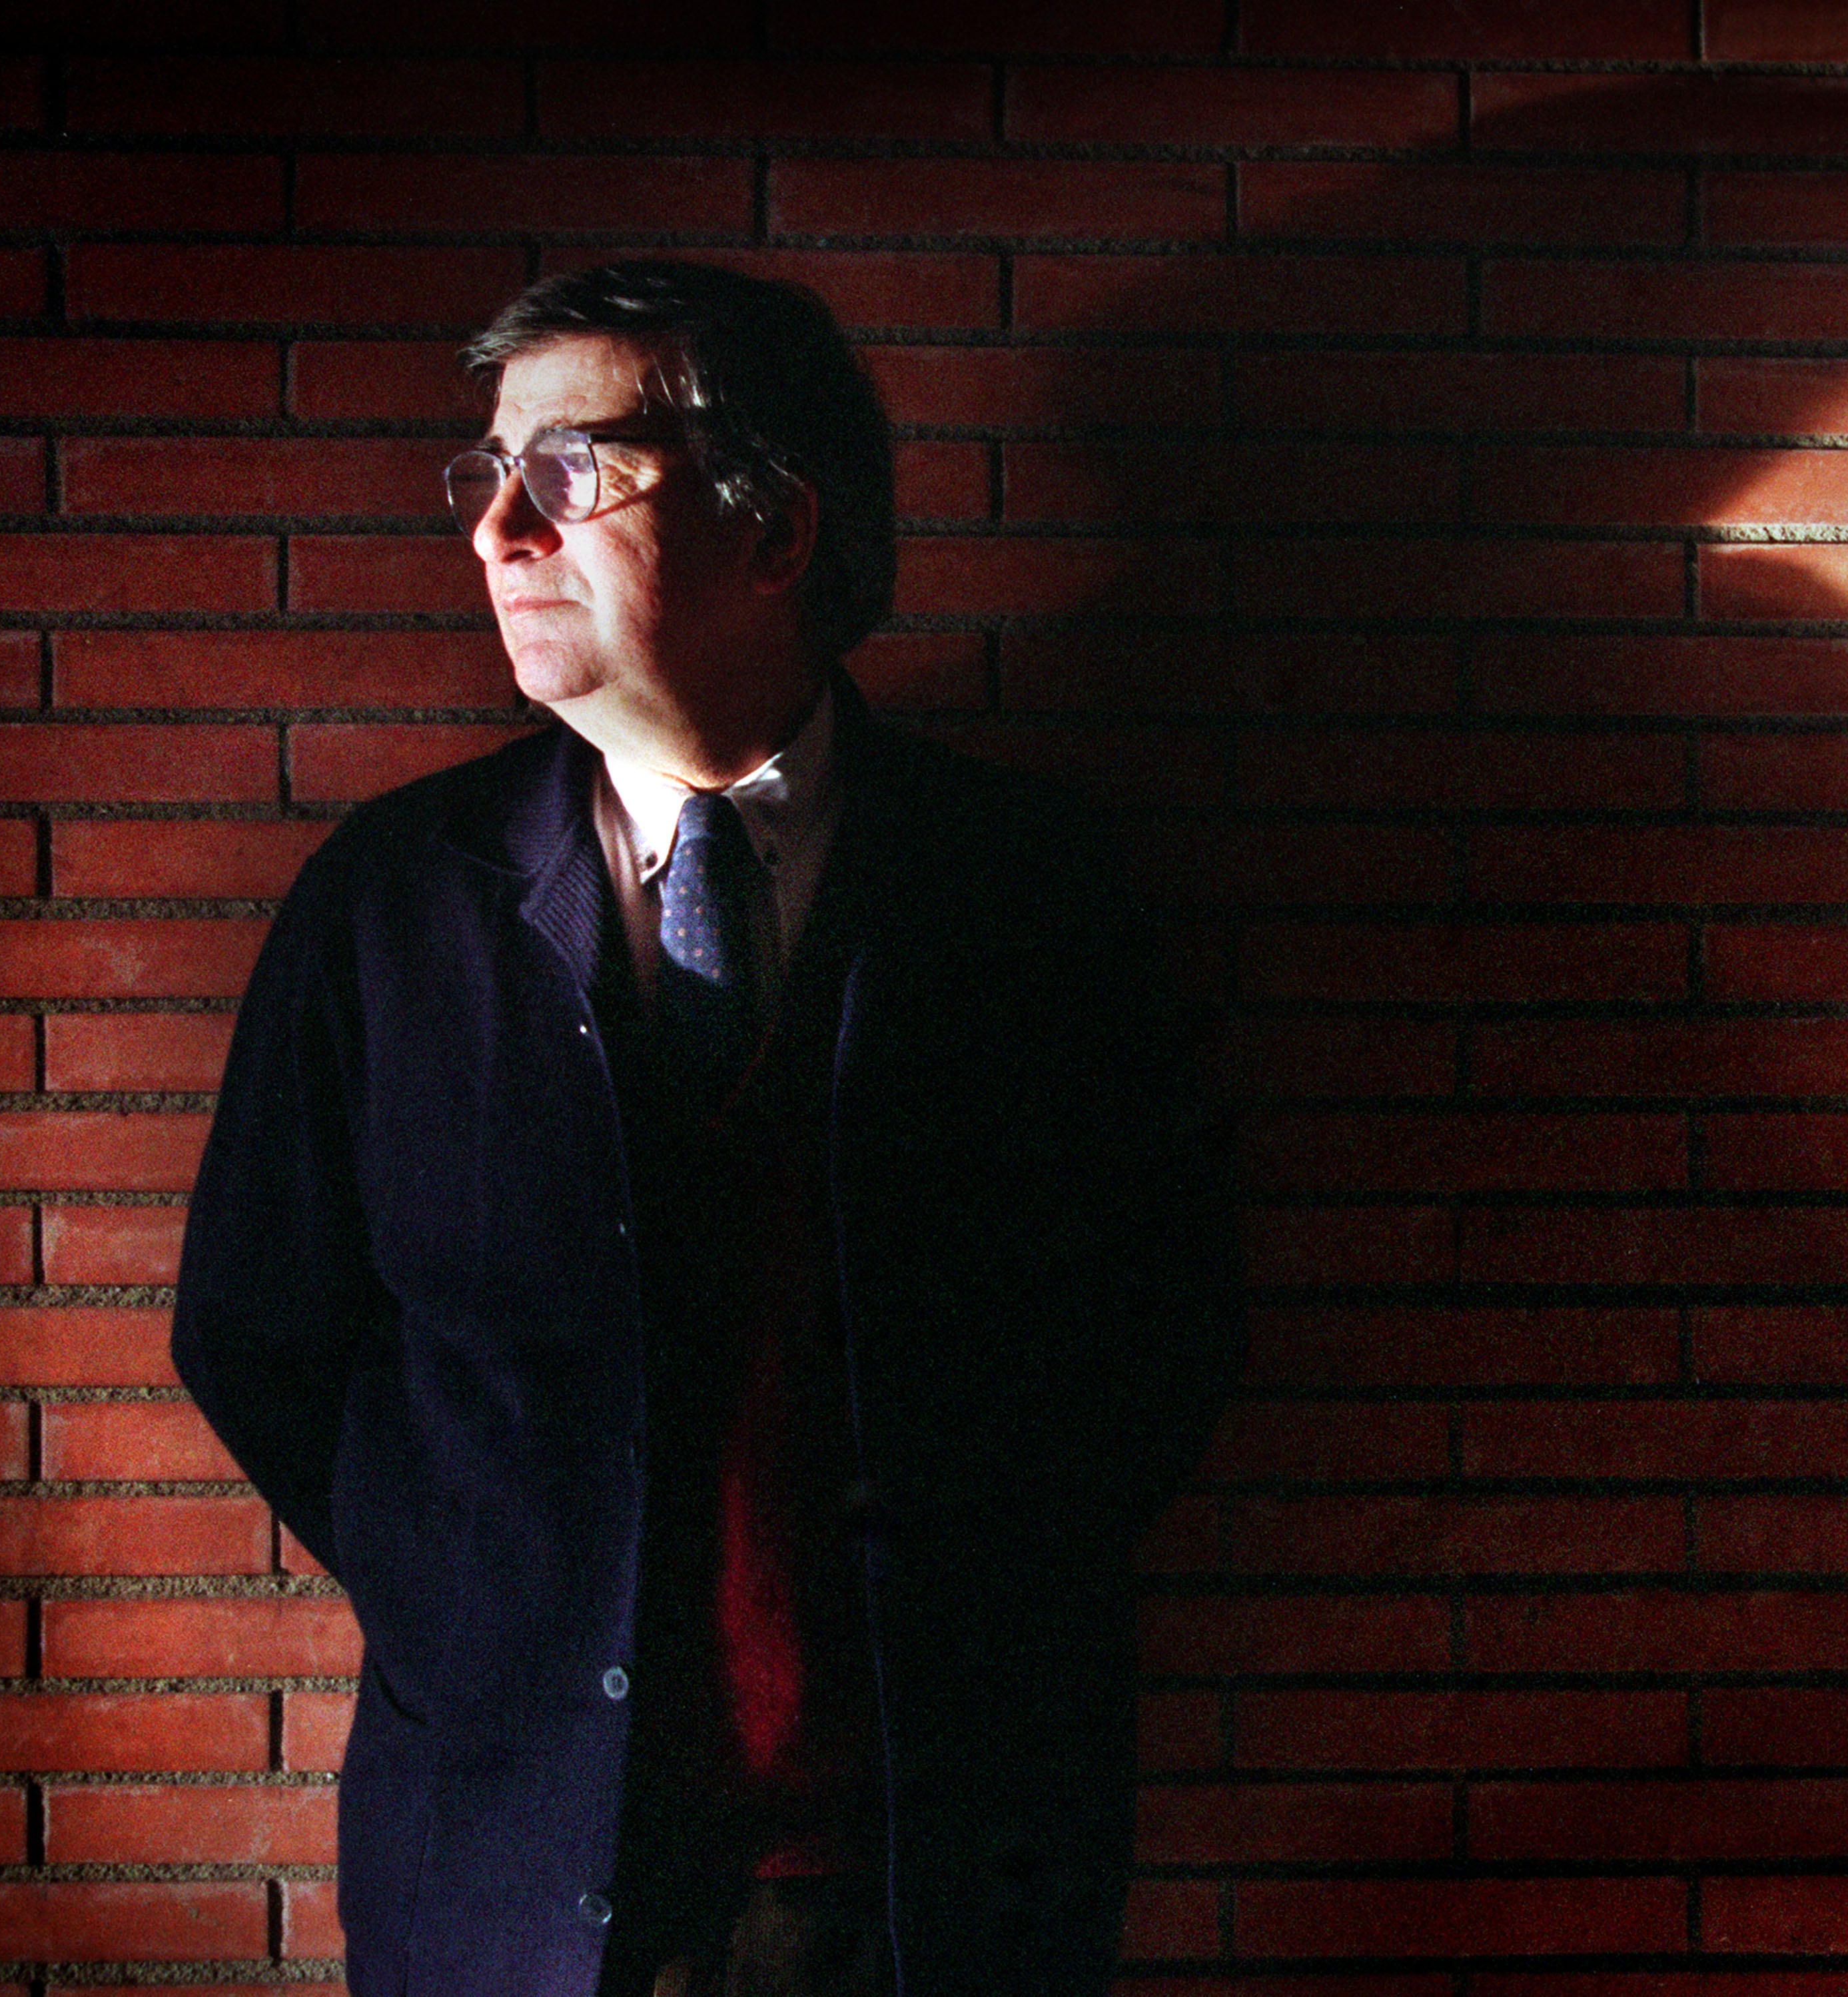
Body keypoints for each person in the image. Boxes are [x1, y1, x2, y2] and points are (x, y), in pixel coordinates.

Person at [172, 260, 1241, 1997]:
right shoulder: (392, 902)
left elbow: (1160, 1328)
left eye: (571, 468)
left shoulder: (1029, 892)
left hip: (937, 1871)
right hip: (511, 1864)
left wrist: (975, 1603)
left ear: (777, 528)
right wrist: (483, 1588)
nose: (500, 529)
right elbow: (258, 1328)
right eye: (488, 473)